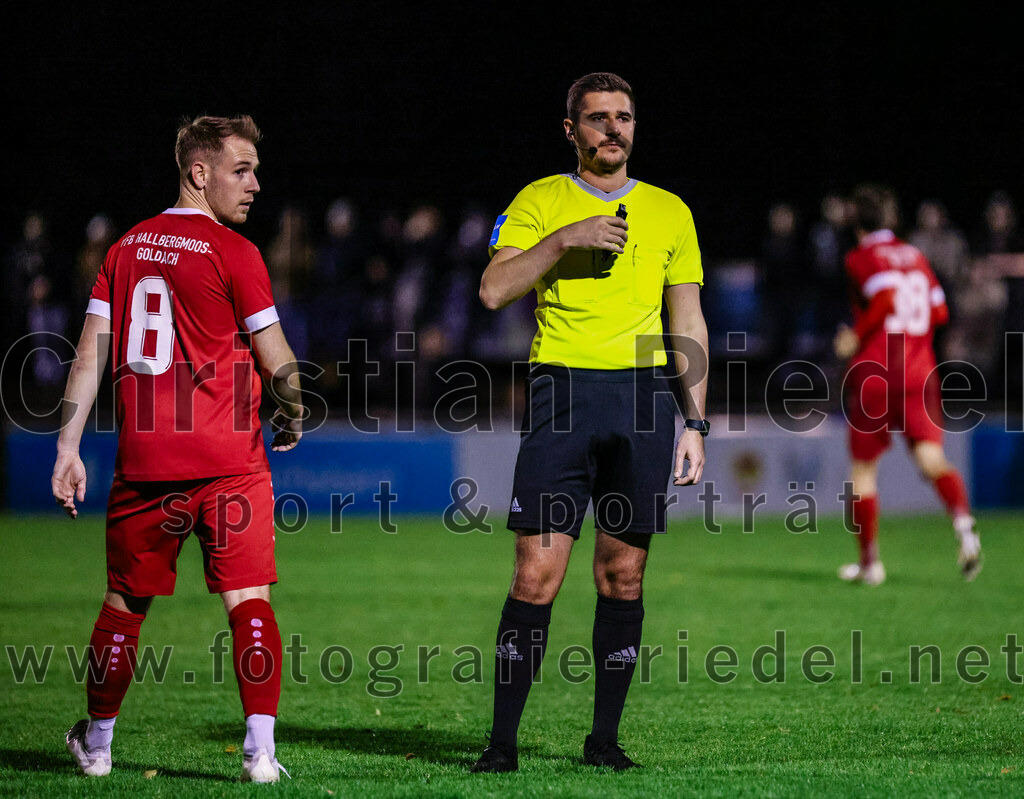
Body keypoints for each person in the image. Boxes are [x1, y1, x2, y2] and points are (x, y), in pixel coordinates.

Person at [51, 115, 304, 782]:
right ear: (199, 174)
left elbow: (89, 354)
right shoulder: (236, 253)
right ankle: (261, 752)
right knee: (249, 601)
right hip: (231, 462)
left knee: (124, 606)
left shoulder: (127, 247)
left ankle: (98, 745)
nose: (255, 184)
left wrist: (67, 447)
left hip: (146, 465)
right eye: (241, 170)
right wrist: (296, 409)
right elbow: (278, 362)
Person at [472, 72, 708, 772]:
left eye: (625, 117)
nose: (614, 128)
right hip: (563, 390)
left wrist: (694, 420)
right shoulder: (539, 200)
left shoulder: (670, 210)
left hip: (642, 396)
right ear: (570, 128)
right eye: (598, 117)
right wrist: (564, 239)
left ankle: (604, 740)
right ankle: (502, 743)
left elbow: (687, 316)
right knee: (536, 573)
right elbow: (492, 289)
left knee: (624, 575)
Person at [833, 184, 981, 587]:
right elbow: (939, 309)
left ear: (856, 221)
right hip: (920, 370)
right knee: (932, 458)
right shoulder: (916, 256)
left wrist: (856, 335)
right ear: (892, 220)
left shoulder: (860, 256)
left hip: (877, 370)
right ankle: (965, 526)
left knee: (863, 472)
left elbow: (881, 301)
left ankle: (869, 564)